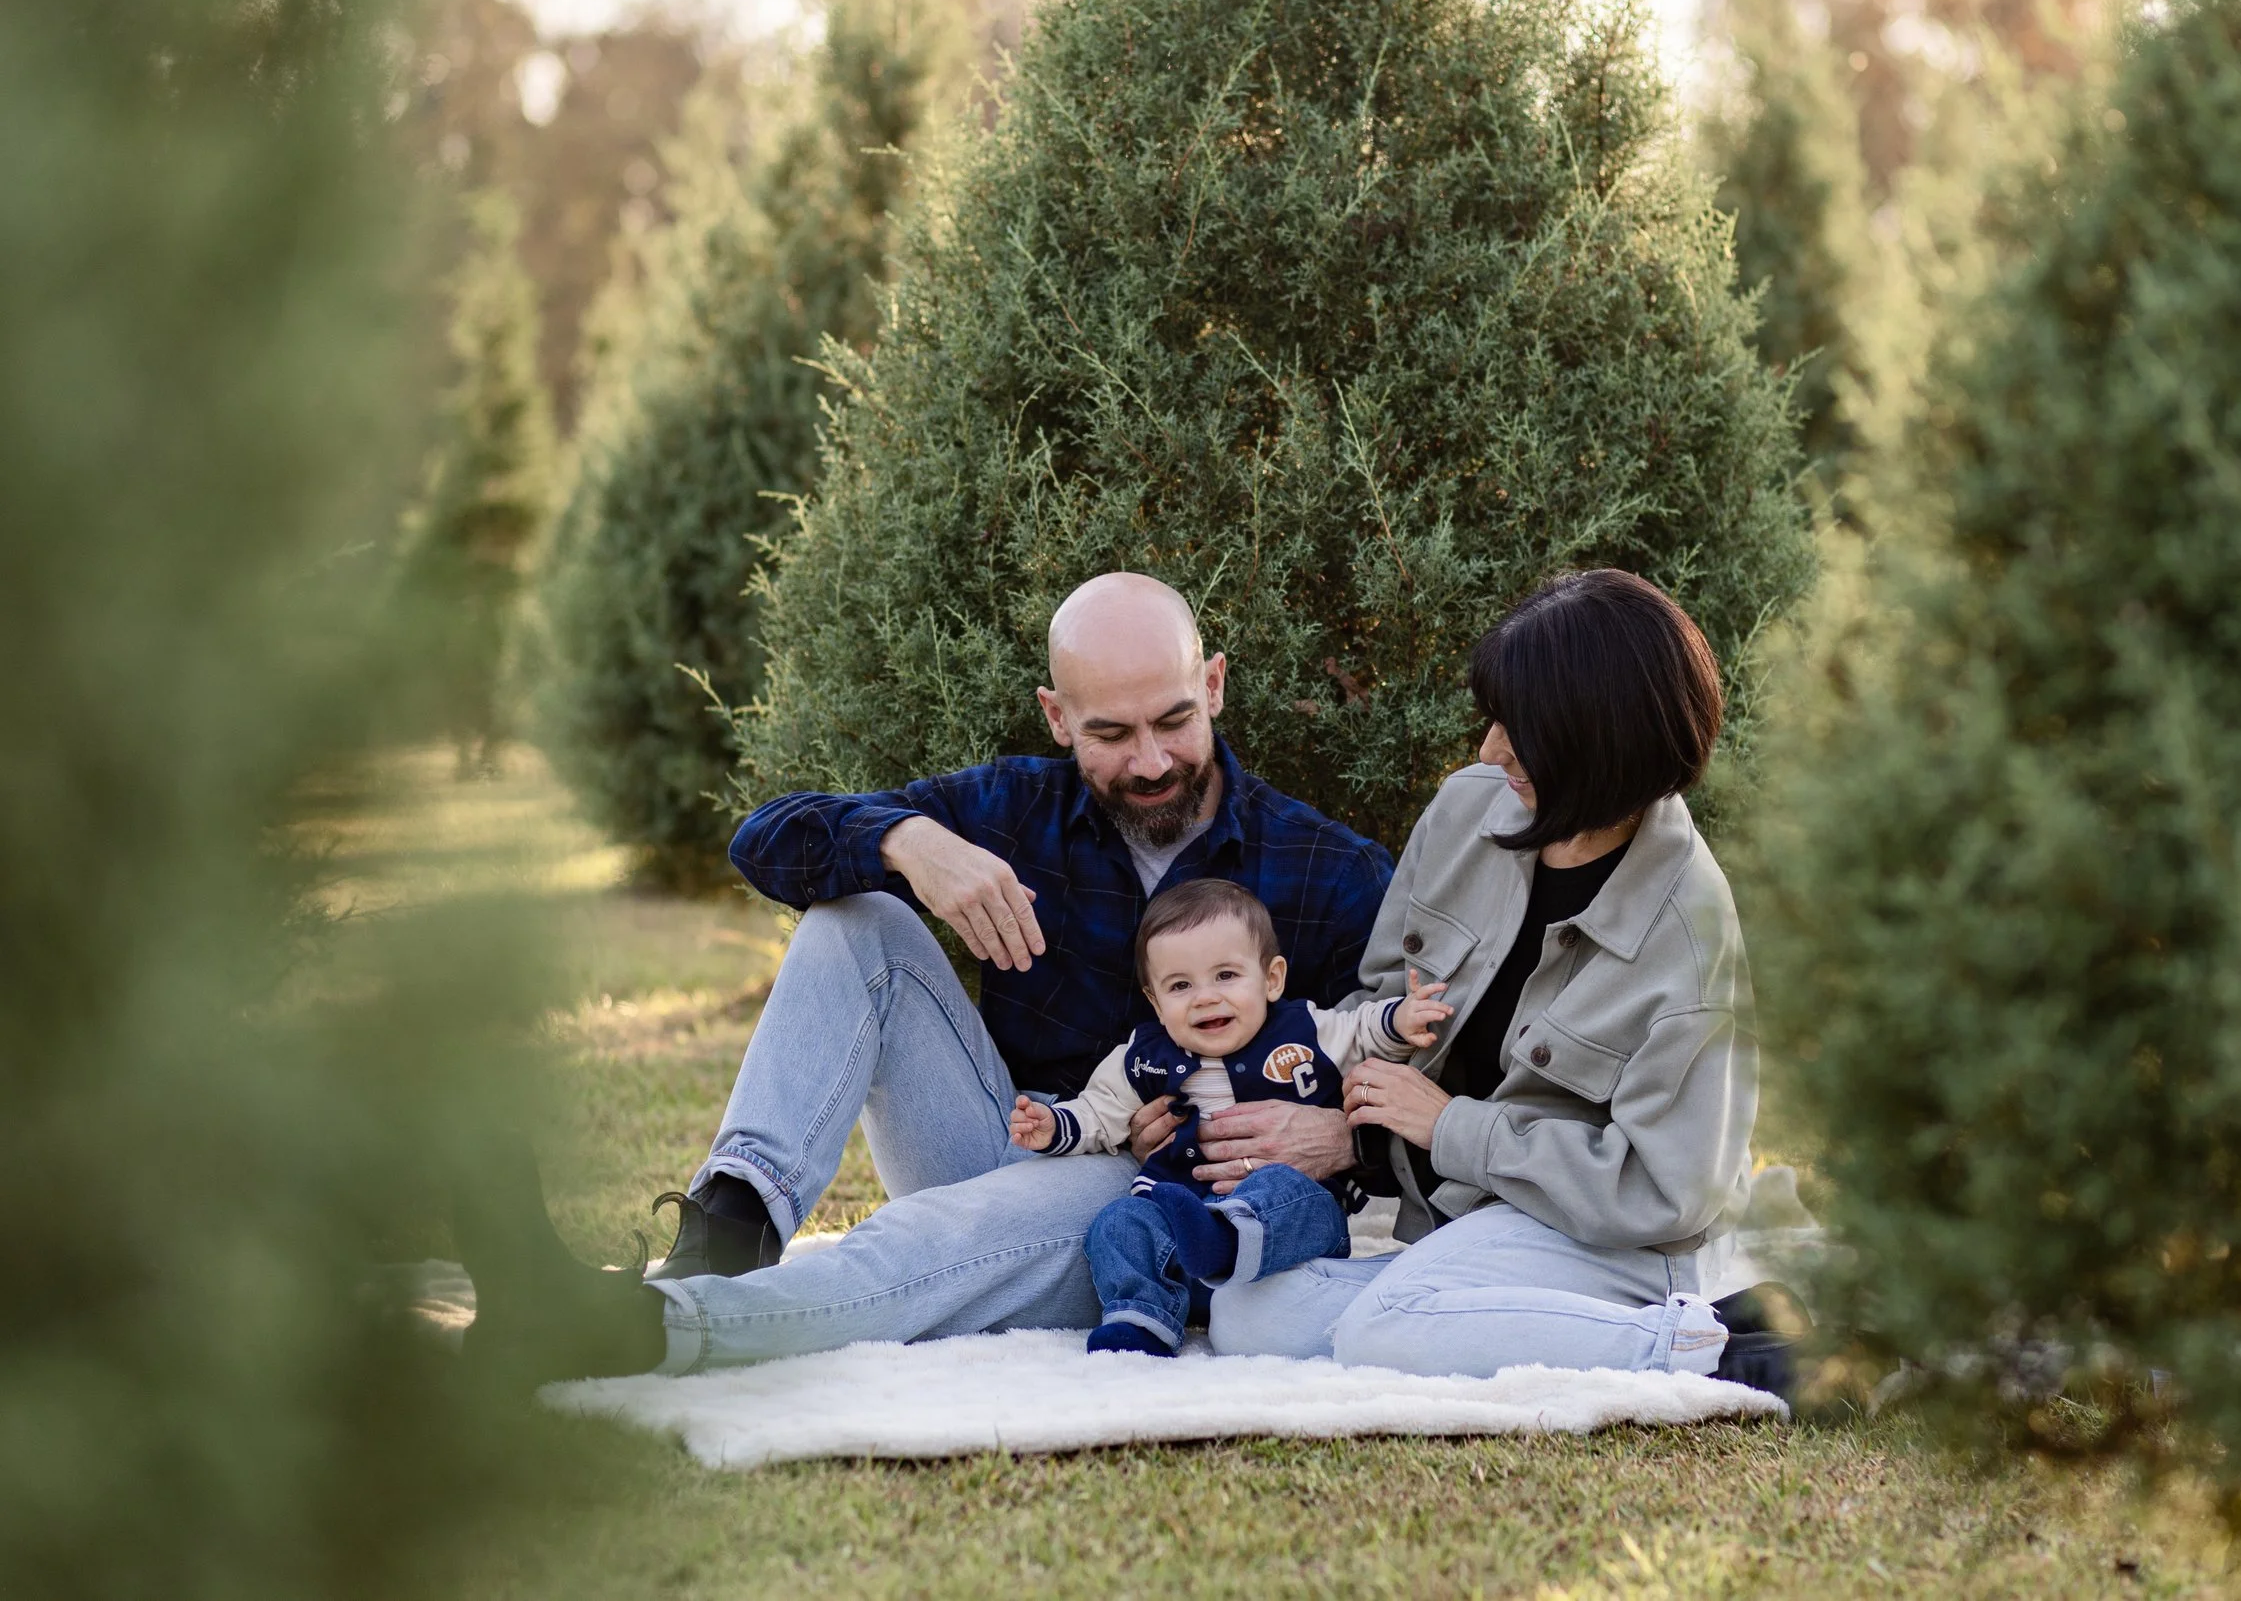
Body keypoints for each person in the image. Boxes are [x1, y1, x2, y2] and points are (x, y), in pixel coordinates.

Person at [455, 573, 1393, 1383]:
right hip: (1008, 1137)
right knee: (856, 914)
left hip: (1157, 1214)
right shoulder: (1015, 806)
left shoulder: (1328, 869)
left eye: (1174, 720)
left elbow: (1430, 1068)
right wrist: (908, 844)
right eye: (1111, 732)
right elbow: (763, 841)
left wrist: (1342, 1138)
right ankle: (723, 1237)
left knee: (906, 1253)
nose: (1150, 761)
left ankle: (631, 1328)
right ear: (1057, 716)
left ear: (1215, 685)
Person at [1207, 569, 1806, 1395]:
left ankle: (1723, 1350)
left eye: (1520, 729)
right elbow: (1373, 1009)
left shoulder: (1690, 935)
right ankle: (1699, 1324)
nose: (1490, 749)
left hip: (1615, 1246)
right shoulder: (1465, 812)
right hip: (1458, 1224)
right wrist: (1345, 1114)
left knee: (1388, 1327)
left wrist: (1454, 1126)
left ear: (1597, 744)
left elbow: (1666, 1193)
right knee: (1252, 1316)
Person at [1007, 878, 1451, 1355]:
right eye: (1180, 985)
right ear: (1155, 1002)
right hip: (1180, 1234)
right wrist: (1052, 1127)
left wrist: (1403, 1019)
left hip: (1287, 1243)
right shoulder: (1144, 1057)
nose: (1205, 997)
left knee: (1290, 1189)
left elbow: (1362, 1030)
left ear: (1272, 979)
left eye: (1226, 976)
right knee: (1118, 1222)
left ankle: (1228, 1237)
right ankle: (1142, 1318)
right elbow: (1099, 1111)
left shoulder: (1305, 1030)